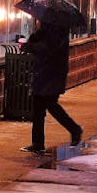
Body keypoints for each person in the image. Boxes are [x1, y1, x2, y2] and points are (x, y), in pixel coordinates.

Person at [20, 21, 83, 155]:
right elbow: (39, 41)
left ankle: (74, 129)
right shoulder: (46, 28)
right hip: (44, 72)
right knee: (38, 108)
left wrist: (31, 46)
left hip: (52, 73)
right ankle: (37, 143)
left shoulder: (57, 29)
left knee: (51, 105)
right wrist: (32, 40)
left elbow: (48, 48)